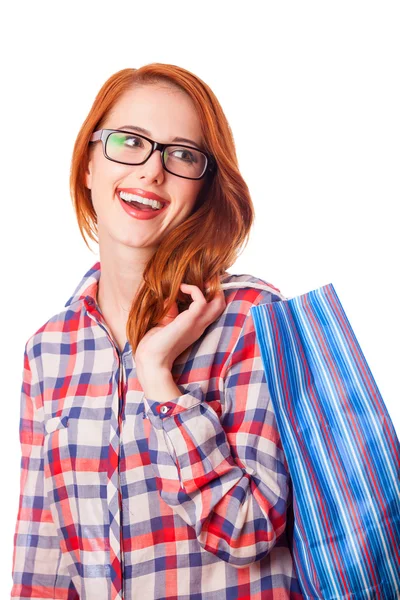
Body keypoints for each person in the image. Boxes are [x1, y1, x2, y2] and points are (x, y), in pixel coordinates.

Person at [11, 64, 303, 599]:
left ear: (205, 187)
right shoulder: (49, 350)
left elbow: (250, 529)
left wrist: (158, 379)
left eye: (182, 154)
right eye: (129, 142)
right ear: (88, 167)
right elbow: (43, 562)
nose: (151, 171)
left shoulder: (251, 320)